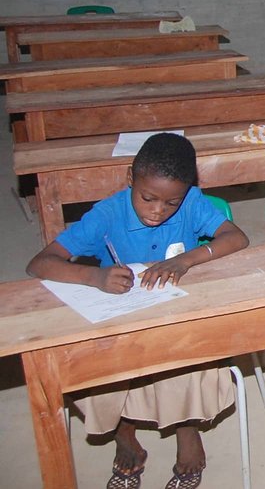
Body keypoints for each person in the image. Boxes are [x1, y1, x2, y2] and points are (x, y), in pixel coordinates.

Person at [26, 132, 250, 489]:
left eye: (171, 202)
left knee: (191, 357)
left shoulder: (192, 202)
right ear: (130, 178)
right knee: (91, 366)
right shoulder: (107, 213)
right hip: (122, 317)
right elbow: (40, 263)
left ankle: (186, 428)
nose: (158, 211)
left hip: (174, 314)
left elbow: (237, 237)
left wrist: (185, 260)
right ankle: (125, 433)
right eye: (148, 198)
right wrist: (94, 276)